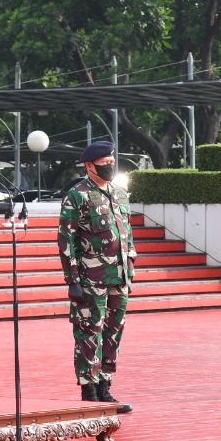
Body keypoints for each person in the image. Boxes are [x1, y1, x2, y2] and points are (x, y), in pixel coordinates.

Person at [59, 140, 135, 422]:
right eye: (104, 161)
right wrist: (73, 279)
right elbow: (66, 240)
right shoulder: (77, 195)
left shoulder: (119, 194)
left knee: (113, 333)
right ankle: (89, 389)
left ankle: (105, 385)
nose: (110, 164)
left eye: (112, 159)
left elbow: (126, 234)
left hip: (119, 277)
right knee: (89, 332)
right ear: (89, 165)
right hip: (91, 278)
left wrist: (130, 265)